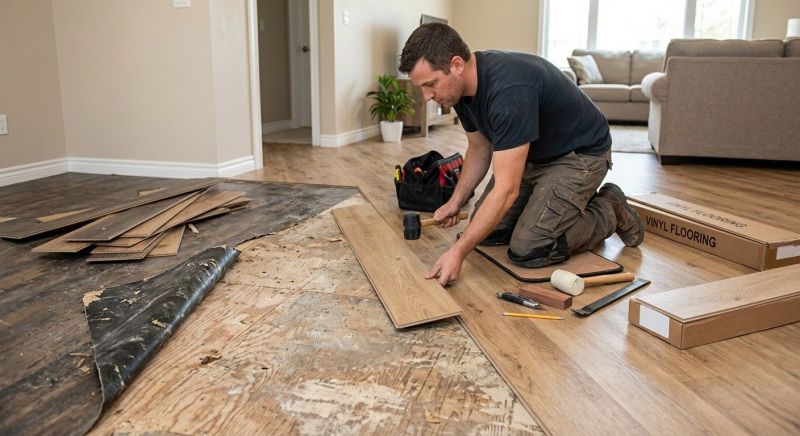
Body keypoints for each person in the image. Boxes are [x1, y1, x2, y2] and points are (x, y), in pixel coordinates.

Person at [398, 23, 644, 286]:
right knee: (489, 234)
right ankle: (547, 209)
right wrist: (455, 202)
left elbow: (506, 190)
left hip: (578, 155)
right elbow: (479, 148)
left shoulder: (507, 92)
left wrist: (457, 253)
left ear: (456, 65)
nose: (426, 96)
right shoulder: (460, 91)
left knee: (529, 248)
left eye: (431, 84)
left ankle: (609, 208)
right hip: (533, 153)